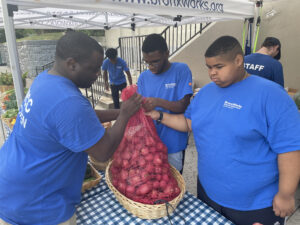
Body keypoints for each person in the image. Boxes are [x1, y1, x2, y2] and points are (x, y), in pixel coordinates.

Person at [146, 36, 300, 225]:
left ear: (238, 60)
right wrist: (159, 116)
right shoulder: (205, 93)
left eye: (218, 67)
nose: (212, 73)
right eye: (209, 67)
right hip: (208, 194)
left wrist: (285, 194)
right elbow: (189, 124)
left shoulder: (273, 95)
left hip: (255, 205)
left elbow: (290, 150)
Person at [0, 31, 142, 225]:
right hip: (38, 202)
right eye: (94, 69)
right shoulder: (68, 102)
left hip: (14, 184)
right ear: (71, 64)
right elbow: (103, 152)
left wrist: (120, 112)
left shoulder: (45, 80)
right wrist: (125, 115)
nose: (98, 74)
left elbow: (82, 118)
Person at [137, 33, 193, 173]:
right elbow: (141, 110)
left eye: (155, 61)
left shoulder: (181, 70)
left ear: (167, 54)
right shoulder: (143, 77)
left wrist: (157, 102)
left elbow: (182, 105)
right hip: (151, 144)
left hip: (173, 144)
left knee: (173, 184)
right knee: (154, 184)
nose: (150, 66)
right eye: (147, 62)